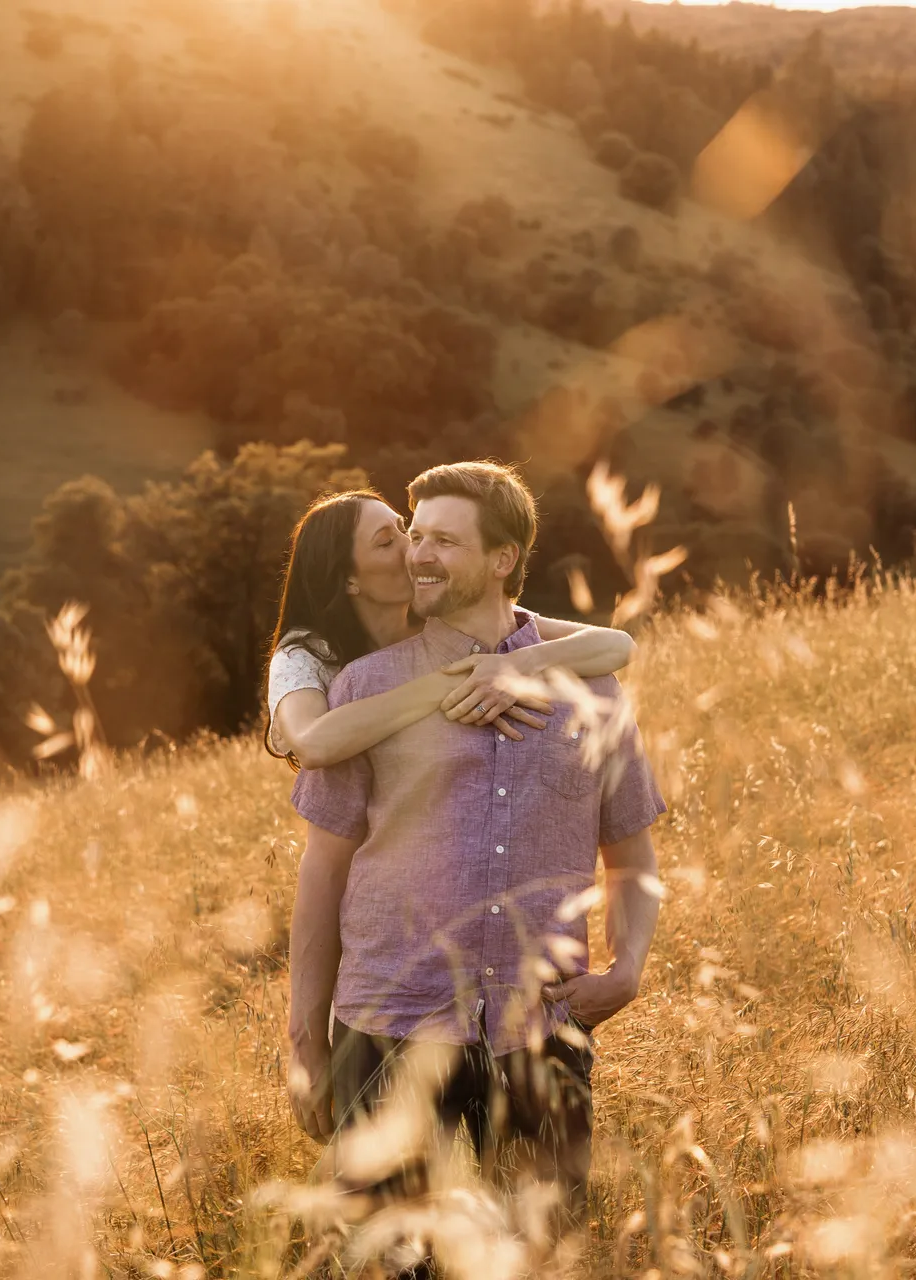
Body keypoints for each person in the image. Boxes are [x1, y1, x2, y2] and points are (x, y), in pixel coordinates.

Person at [285, 461, 665, 1230]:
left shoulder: (592, 690)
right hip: (387, 1025)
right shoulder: (363, 690)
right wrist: (304, 1040)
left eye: (443, 541)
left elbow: (631, 858)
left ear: (502, 559)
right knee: (395, 1261)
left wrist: (627, 969)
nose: (418, 554)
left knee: (541, 1253)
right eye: (414, 535)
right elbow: (323, 869)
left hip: (539, 1032)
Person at [264, 488, 635, 769]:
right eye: (386, 542)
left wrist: (517, 665)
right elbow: (312, 744)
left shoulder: (446, 615)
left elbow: (617, 646)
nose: (412, 549)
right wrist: (457, 682)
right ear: (349, 581)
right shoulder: (304, 655)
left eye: (405, 529)